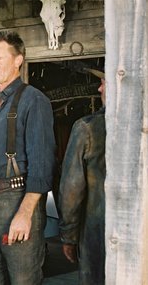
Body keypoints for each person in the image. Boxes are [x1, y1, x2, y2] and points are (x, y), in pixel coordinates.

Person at [0, 31, 56, 284]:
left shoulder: (33, 101)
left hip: (17, 200)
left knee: (23, 279)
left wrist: (25, 214)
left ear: (18, 60)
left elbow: (42, 165)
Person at [58, 68, 106, 284]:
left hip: (97, 235)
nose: (100, 88)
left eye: (105, 82)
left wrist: (68, 237)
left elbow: (71, 189)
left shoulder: (87, 128)